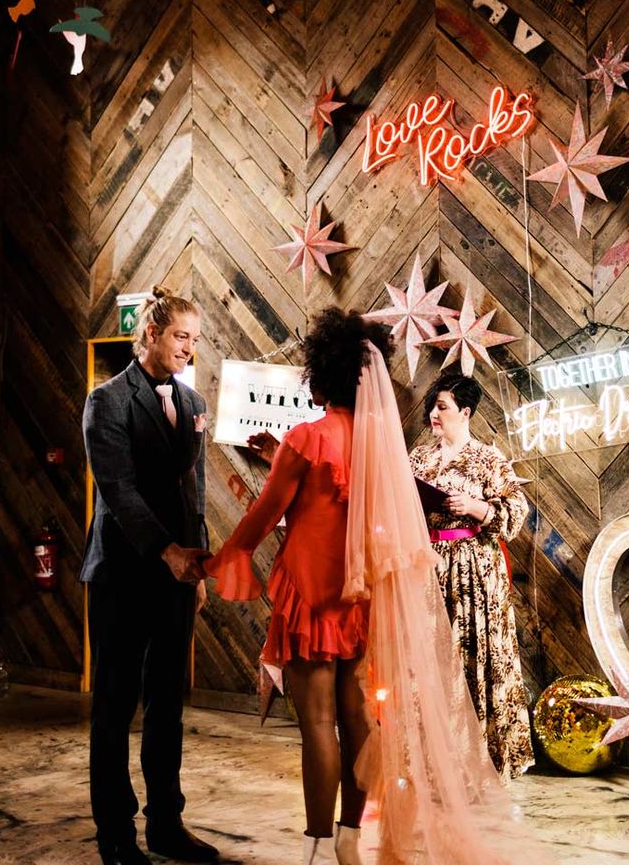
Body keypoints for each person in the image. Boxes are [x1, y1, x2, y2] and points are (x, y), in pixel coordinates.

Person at [204, 309, 392, 865]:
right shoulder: (380, 444)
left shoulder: (307, 437)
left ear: (321, 374)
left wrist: (223, 556)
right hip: (360, 592)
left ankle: (313, 847)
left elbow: (266, 517)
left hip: (309, 594)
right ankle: (351, 839)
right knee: (359, 721)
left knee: (317, 726)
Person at [80, 288, 217, 865]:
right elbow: (119, 491)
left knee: (167, 703)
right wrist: (167, 552)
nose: (190, 348)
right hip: (122, 572)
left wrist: (199, 564)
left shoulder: (191, 404)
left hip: (178, 576)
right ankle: (115, 834)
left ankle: (166, 824)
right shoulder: (106, 401)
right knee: (114, 706)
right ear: (153, 334)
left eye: (196, 339)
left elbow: (195, 493)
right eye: (182, 336)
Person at [409, 374, 534, 779]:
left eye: (442, 406)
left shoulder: (487, 459)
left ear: (465, 412)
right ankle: (430, 754)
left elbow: (517, 511)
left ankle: (475, 759)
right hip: (427, 563)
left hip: (473, 568)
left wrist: (476, 507)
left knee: (471, 655)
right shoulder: (420, 458)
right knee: (429, 657)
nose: (433, 414)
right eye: (432, 406)